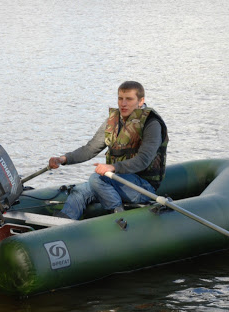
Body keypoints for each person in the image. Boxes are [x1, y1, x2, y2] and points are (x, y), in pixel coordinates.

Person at [48, 81, 169, 220]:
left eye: (129, 99)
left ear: (141, 101)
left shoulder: (151, 124)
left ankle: (117, 215)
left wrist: (112, 167)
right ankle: (63, 223)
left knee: (96, 178)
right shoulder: (112, 121)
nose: (123, 104)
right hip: (115, 181)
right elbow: (90, 149)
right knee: (79, 191)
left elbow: (144, 159)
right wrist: (63, 159)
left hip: (142, 187)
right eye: (120, 98)